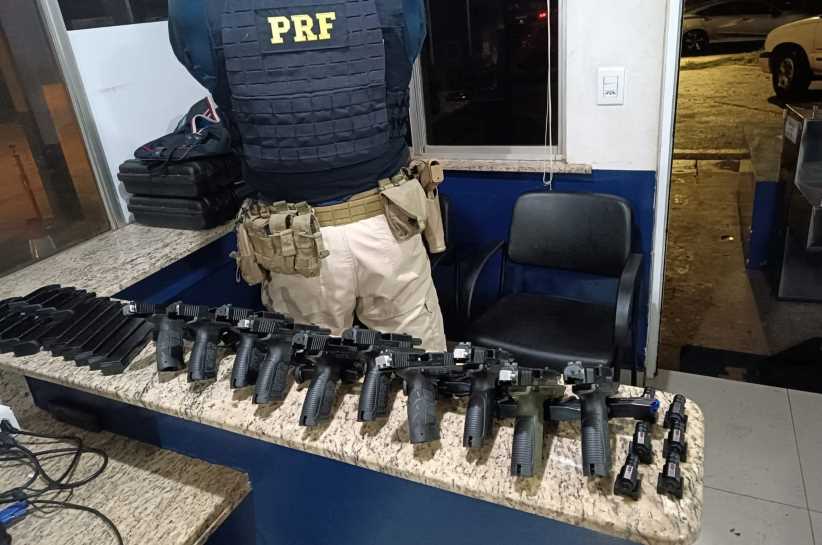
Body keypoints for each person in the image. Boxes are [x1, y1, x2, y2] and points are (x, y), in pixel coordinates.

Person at [168, 0, 446, 350]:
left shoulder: (196, 7)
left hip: (293, 242)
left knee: (313, 370)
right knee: (416, 366)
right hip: (386, 226)